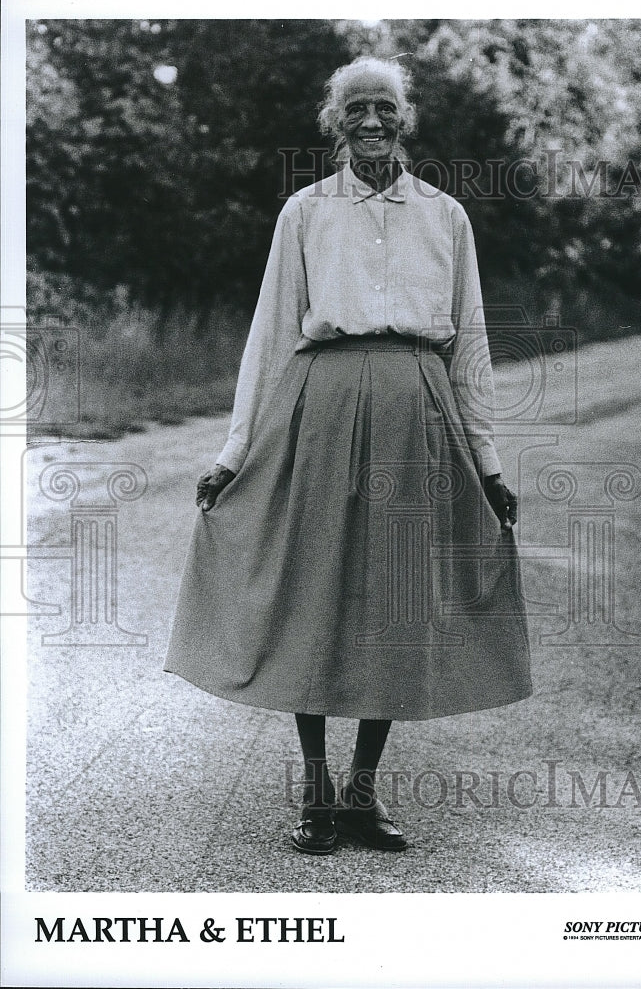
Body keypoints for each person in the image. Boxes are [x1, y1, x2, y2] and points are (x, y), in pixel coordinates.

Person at [165, 56, 531, 855]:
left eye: (386, 108)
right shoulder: (305, 212)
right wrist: (234, 452)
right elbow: (270, 334)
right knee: (313, 590)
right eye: (357, 109)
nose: (373, 121)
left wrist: (489, 460)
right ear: (335, 122)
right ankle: (314, 790)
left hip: (420, 415)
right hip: (320, 409)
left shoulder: (445, 216)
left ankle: (363, 793)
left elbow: (470, 341)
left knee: (396, 605)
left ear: (406, 120)